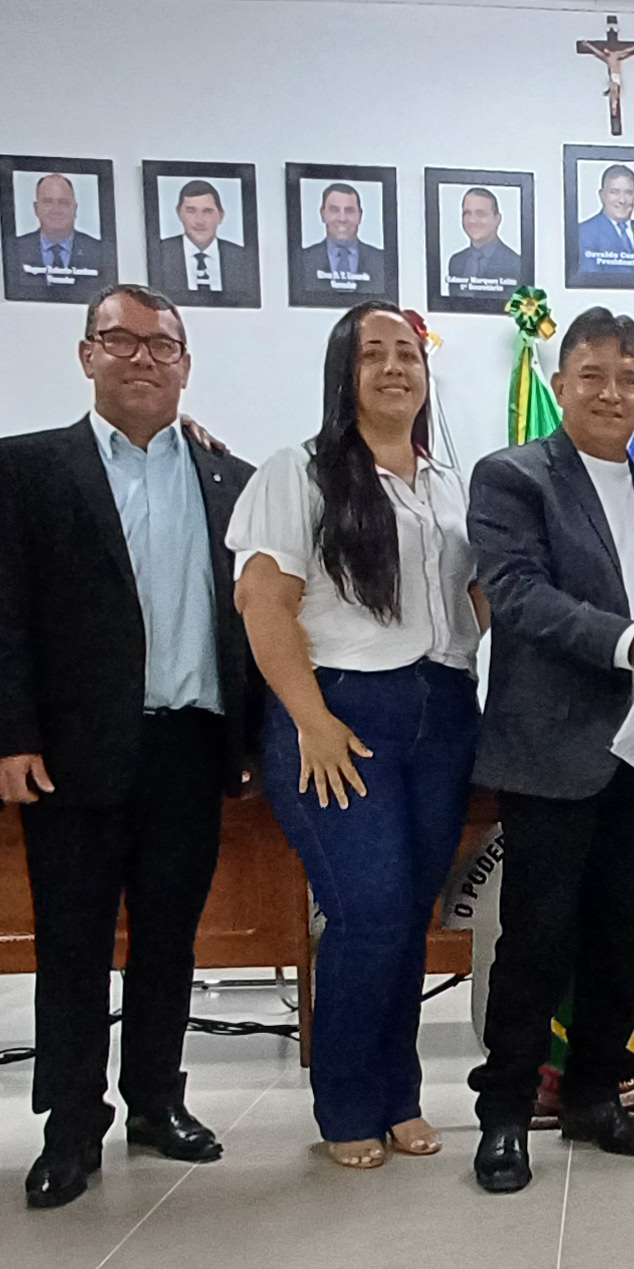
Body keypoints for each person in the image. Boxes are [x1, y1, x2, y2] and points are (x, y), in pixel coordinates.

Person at [0, 286, 262, 1210]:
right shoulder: (27, 468)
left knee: (170, 940)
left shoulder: (232, 479)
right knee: (73, 943)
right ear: (87, 355)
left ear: (186, 364)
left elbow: (252, 620)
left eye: (162, 345)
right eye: (120, 340)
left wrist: (252, 737)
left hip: (192, 744)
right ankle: (70, 1126)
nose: (142, 358)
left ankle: (158, 1102)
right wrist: (6, 736)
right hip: (72, 753)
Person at [462, 308, 634, 1193]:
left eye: (628, 380)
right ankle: (505, 1114)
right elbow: (516, 594)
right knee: (535, 938)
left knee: (621, 933)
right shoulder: (513, 477)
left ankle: (595, 1097)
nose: (612, 393)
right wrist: (630, 640)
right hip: (548, 749)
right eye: (593, 376)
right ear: (560, 384)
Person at [231, 304, 485, 1168]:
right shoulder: (297, 472)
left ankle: (399, 1096)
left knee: (410, 916)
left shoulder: (449, 483)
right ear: (344, 373)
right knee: (366, 911)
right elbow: (264, 604)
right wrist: (312, 720)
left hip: (442, 711)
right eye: (371, 354)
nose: (393, 368)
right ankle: (345, 1104)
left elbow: (473, 603)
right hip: (340, 713)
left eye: (407, 353)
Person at [5, 171, 108, 304]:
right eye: (48, 202)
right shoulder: (14, 250)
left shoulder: (100, 251)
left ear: (75, 209)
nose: (56, 210)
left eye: (63, 203)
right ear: (36, 208)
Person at [150, 177, 254, 307]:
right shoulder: (160, 253)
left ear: (221, 215)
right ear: (179, 213)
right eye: (191, 211)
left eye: (208, 211)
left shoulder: (242, 258)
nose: (199, 221)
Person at [294, 181, 389, 300]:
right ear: (323, 214)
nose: (342, 218)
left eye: (349, 211)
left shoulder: (383, 261)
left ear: (360, 216)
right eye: (334, 210)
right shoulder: (301, 260)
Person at [575, 164, 634, 280]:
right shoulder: (585, 232)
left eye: (628, 193)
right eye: (614, 192)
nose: (622, 200)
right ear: (602, 195)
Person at [447, 186, 524, 293]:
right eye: (467, 213)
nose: (472, 220)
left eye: (480, 214)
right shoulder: (456, 262)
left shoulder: (516, 264)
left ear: (497, 219)